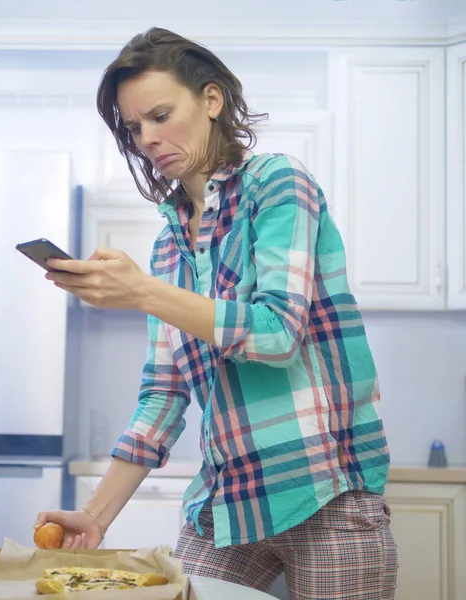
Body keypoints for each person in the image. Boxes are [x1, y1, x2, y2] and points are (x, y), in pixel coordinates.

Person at [34, 27, 398, 600]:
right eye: (135, 128)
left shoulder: (277, 185)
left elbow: (278, 334)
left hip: (326, 493)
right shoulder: (166, 248)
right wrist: (97, 517)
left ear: (210, 100)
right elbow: (163, 393)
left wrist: (143, 293)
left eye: (160, 115)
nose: (148, 139)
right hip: (228, 503)